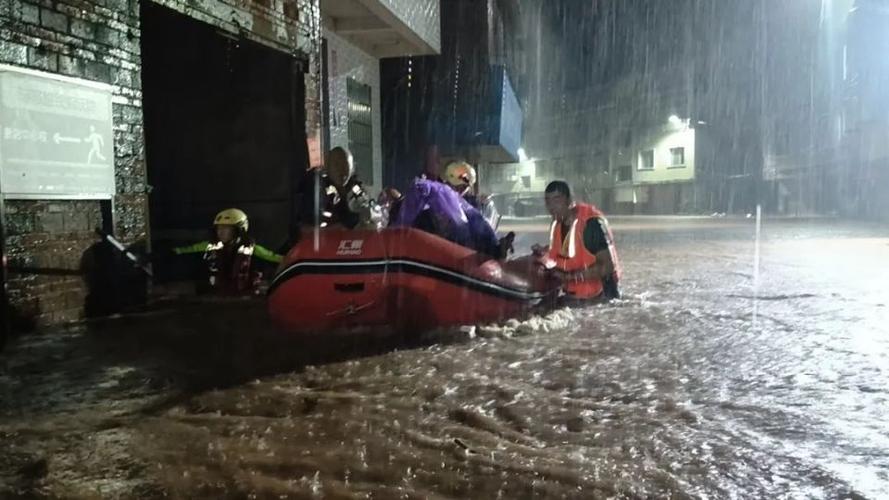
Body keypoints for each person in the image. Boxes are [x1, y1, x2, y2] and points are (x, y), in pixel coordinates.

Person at [533, 181, 621, 302]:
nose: (551, 206)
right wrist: (544, 254)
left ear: (569, 201)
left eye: (557, 200)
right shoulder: (557, 224)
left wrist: (569, 277)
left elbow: (607, 267)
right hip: (574, 296)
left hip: (601, 298)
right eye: (548, 201)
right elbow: (566, 252)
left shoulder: (591, 225)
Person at [392, 177, 513, 259]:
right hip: (455, 214)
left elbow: (405, 220)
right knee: (472, 227)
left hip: (448, 217)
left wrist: (398, 231)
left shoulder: (417, 195)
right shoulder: (446, 191)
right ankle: (494, 248)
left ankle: (493, 249)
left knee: (464, 235)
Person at [174, 208, 282, 295]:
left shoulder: (254, 251)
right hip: (214, 298)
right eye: (219, 228)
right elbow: (183, 251)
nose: (220, 232)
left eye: (226, 228)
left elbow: (278, 259)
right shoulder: (209, 247)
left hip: (245, 300)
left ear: (239, 230)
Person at [296, 147, 381, 230]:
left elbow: (369, 208)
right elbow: (310, 224)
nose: (342, 171)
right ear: (327, 165)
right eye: (337, 165)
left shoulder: (355, 189)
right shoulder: (316, 185)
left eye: (346, 166)